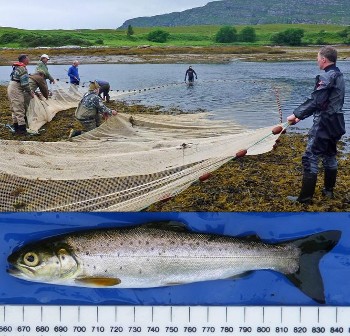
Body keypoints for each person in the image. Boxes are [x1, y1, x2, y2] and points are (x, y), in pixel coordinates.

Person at [286, 46, 346, 204]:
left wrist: (296, 114)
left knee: (310, 157)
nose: (317, 61)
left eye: (318, 58)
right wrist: (301, 118)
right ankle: (328, 192)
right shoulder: (339, 75)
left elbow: (316, 101)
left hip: (324, 124)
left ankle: (305, 199)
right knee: (330, 156)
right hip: (337, 122)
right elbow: (325, 102)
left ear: (324, 59)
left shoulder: (326, 76)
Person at [7, 54, 34, 135]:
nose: (29, 60)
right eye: (28, 58)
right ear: (24, 60)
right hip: (16, 89)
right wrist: (30, 92)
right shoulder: (22, 69)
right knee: (19, 109)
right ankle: (22, 131)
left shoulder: (17, 67)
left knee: (14, 109)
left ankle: (17, 129)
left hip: (11, 87)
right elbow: (25, 84)